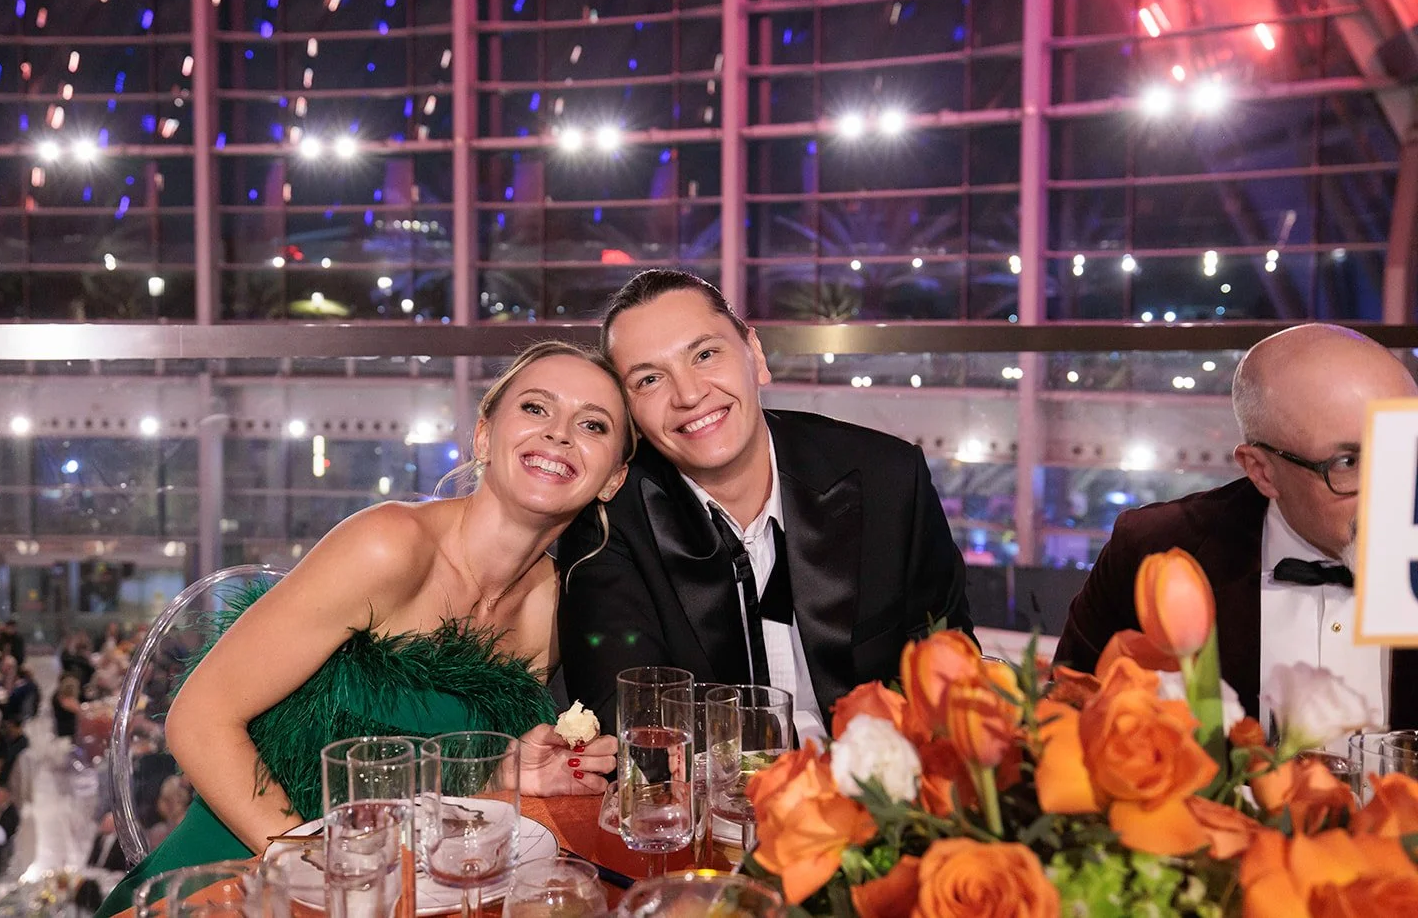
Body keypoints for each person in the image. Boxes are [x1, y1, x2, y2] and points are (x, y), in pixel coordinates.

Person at [96, 341, 633, 915]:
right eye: (535, 408)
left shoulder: (551, 610)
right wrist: (311, 873)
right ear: (482, 437)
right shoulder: (388, 547)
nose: (558, 433)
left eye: (593, 424)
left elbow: (411, 782)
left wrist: (502, 769)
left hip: (385, 884)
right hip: (236, 869)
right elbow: (199, 719)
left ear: (613, 480)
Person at [557, 270, 973, 739]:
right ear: (629, 412)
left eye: (706, 354)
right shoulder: (611, 523)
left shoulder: (888, 479)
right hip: (711, 802)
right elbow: (630, 722)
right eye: (650, 379)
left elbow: (951, 670)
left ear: (755, 354)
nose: (690, 395)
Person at [1055, 323, 1418, 735]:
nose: (1394, 486)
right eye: (1349, 463)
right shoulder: (1153, 552)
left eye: (1405, 444)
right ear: (1261, 471)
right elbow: (1069, 723)